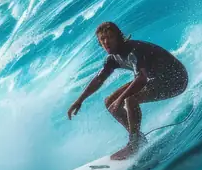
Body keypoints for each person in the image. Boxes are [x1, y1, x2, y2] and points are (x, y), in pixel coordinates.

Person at [67, 21, 188, 160]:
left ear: (118, 37)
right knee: (109, 102)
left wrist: (120, 99)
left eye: (110, 37)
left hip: (176, 80)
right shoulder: (112, 59)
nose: (106, 42)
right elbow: (99, 79)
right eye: (103, 39)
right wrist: (79, 100)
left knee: (130, 99)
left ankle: (134, 142)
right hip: (155, 79)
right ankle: (137, 139)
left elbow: (141, 79)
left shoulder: (132, 50)